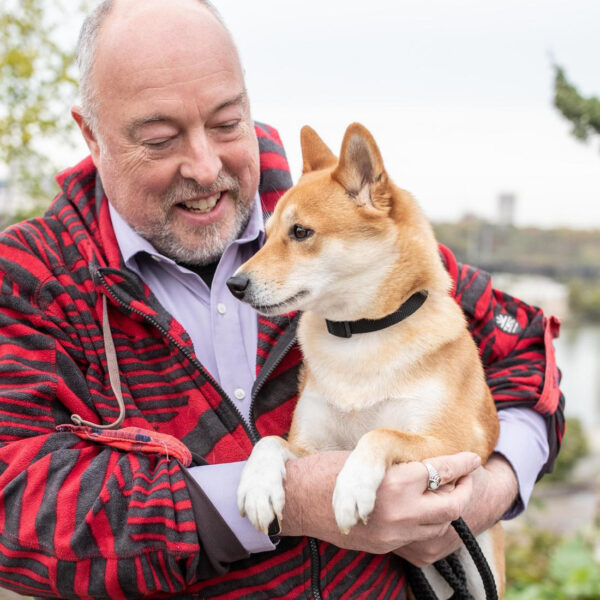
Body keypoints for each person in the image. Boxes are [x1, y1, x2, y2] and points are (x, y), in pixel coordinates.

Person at [0, 0, 564, 598]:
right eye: (161, 139)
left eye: (226, 122)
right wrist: (278, 501)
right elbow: (17, 510)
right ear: (91, 133)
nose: (205, 164)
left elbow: (526, 341)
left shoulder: (333, 224)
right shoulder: (33, 280)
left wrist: (490, 492)